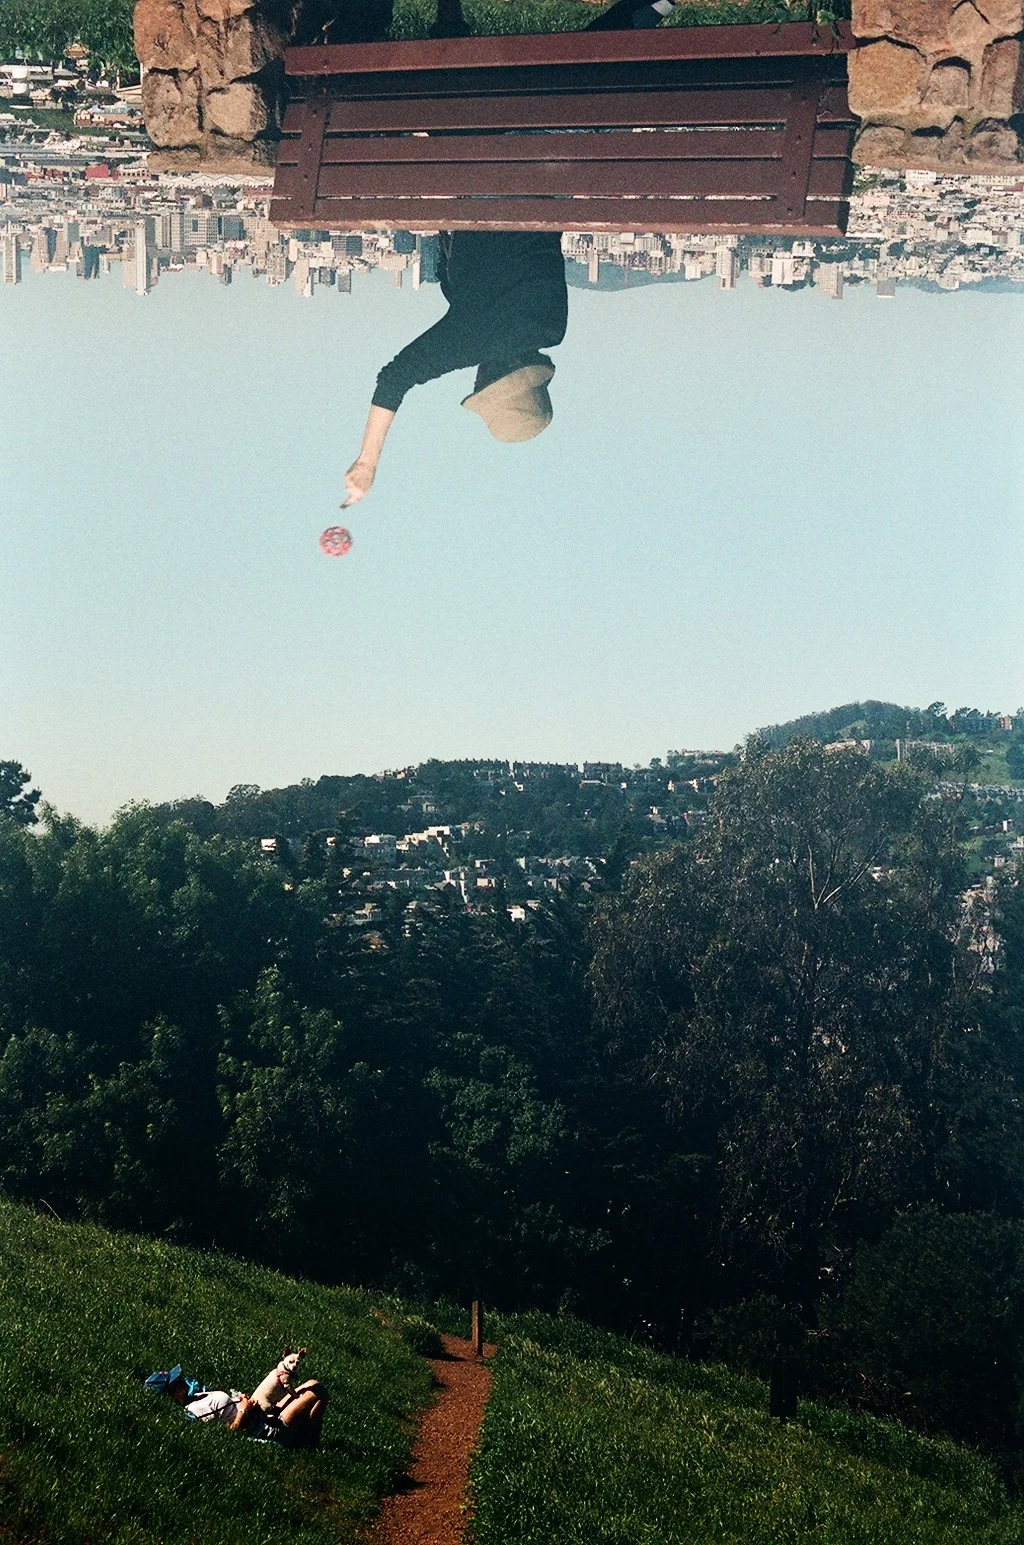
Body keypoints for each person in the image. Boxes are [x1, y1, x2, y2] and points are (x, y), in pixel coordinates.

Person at [342, 230, 568, 507]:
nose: (476, 381)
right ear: (498, 376)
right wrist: (367, 463)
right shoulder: (478, 339)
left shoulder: (553, 327)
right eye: (484, 389)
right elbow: (395, 378)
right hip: (479, 198)